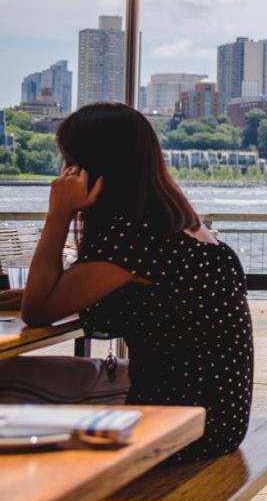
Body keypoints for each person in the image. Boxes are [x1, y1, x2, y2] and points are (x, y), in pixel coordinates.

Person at [21, 103, 254, 463]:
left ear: (92, 167)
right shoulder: (177, 225)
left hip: (180, 425)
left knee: (10, 385)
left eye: (69, 162)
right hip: (216, 416)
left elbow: (37, 311)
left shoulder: (134, 239)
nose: (64, 173)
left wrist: (59, 213)